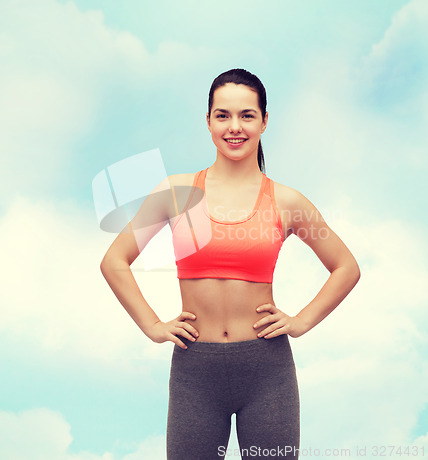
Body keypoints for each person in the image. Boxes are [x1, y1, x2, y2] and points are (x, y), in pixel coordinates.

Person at [100, 68, 361, 460]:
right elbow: (114, 260)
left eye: (246, 115)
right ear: (207, 121)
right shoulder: (176, 193)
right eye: (222, 115)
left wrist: (302, 321)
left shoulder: (287, 201)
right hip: (194, 372)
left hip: (267, 371)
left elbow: (346, 266)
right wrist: (153, 326)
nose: (234, 127)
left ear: (264, 121)